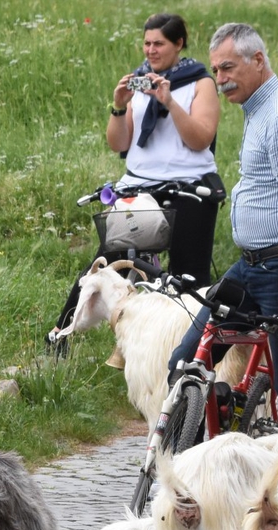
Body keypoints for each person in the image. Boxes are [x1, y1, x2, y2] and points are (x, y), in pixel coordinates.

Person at [169, 21, 278, 425]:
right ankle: (200, 454)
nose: (220, 80)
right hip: (251, 267)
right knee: (185, 363)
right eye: (216, 71)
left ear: (257, 60)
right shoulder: (258, 109)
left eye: (227, 69)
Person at [52, 13, 220, 343]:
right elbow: (120, 144)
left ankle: (190, 348)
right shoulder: (141, 80)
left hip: (190, 189)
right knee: (108, 260)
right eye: (146, 43)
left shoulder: (201, 82)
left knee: (188, 276)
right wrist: (118, 106)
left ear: (179, 44)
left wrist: (169, 102)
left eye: (159, 44)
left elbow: (200, 139)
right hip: (139, 187)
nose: (150, 51)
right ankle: (61, 333)